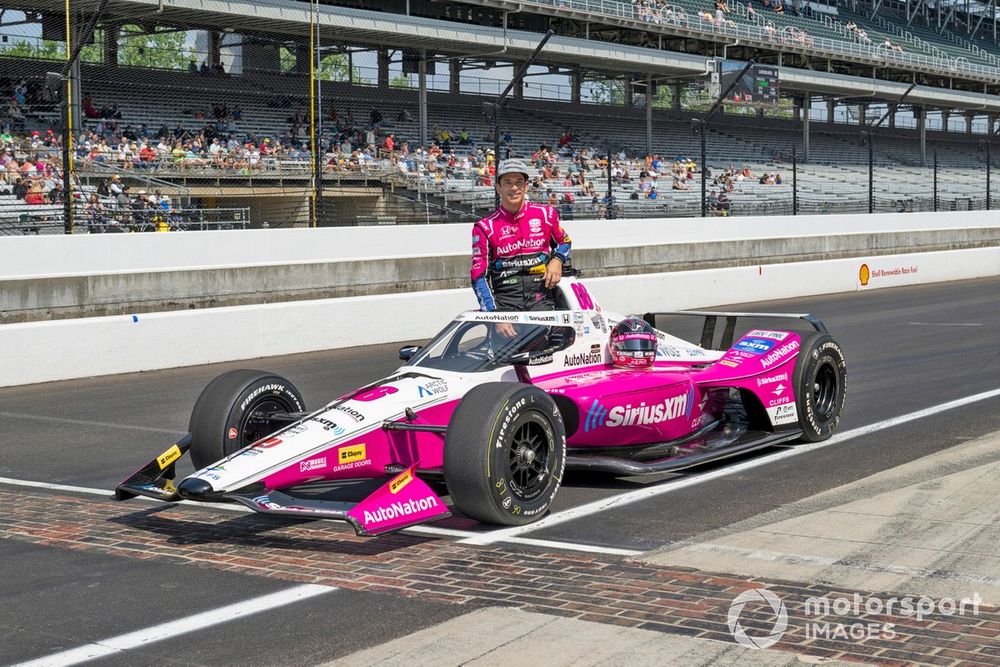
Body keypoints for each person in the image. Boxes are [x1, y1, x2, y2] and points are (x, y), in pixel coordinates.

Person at [470, 158, 572, 327]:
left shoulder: (546, 214)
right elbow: (478, 276)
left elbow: (565, 242)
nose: (514, 188)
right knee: (507, 351)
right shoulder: (484, 227)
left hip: (541, 300)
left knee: (548, 349)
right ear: (498, 188)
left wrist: (557, 260)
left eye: (519, 182)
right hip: (506, 305)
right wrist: (494, 316)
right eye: (508, 182)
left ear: (526, 186)